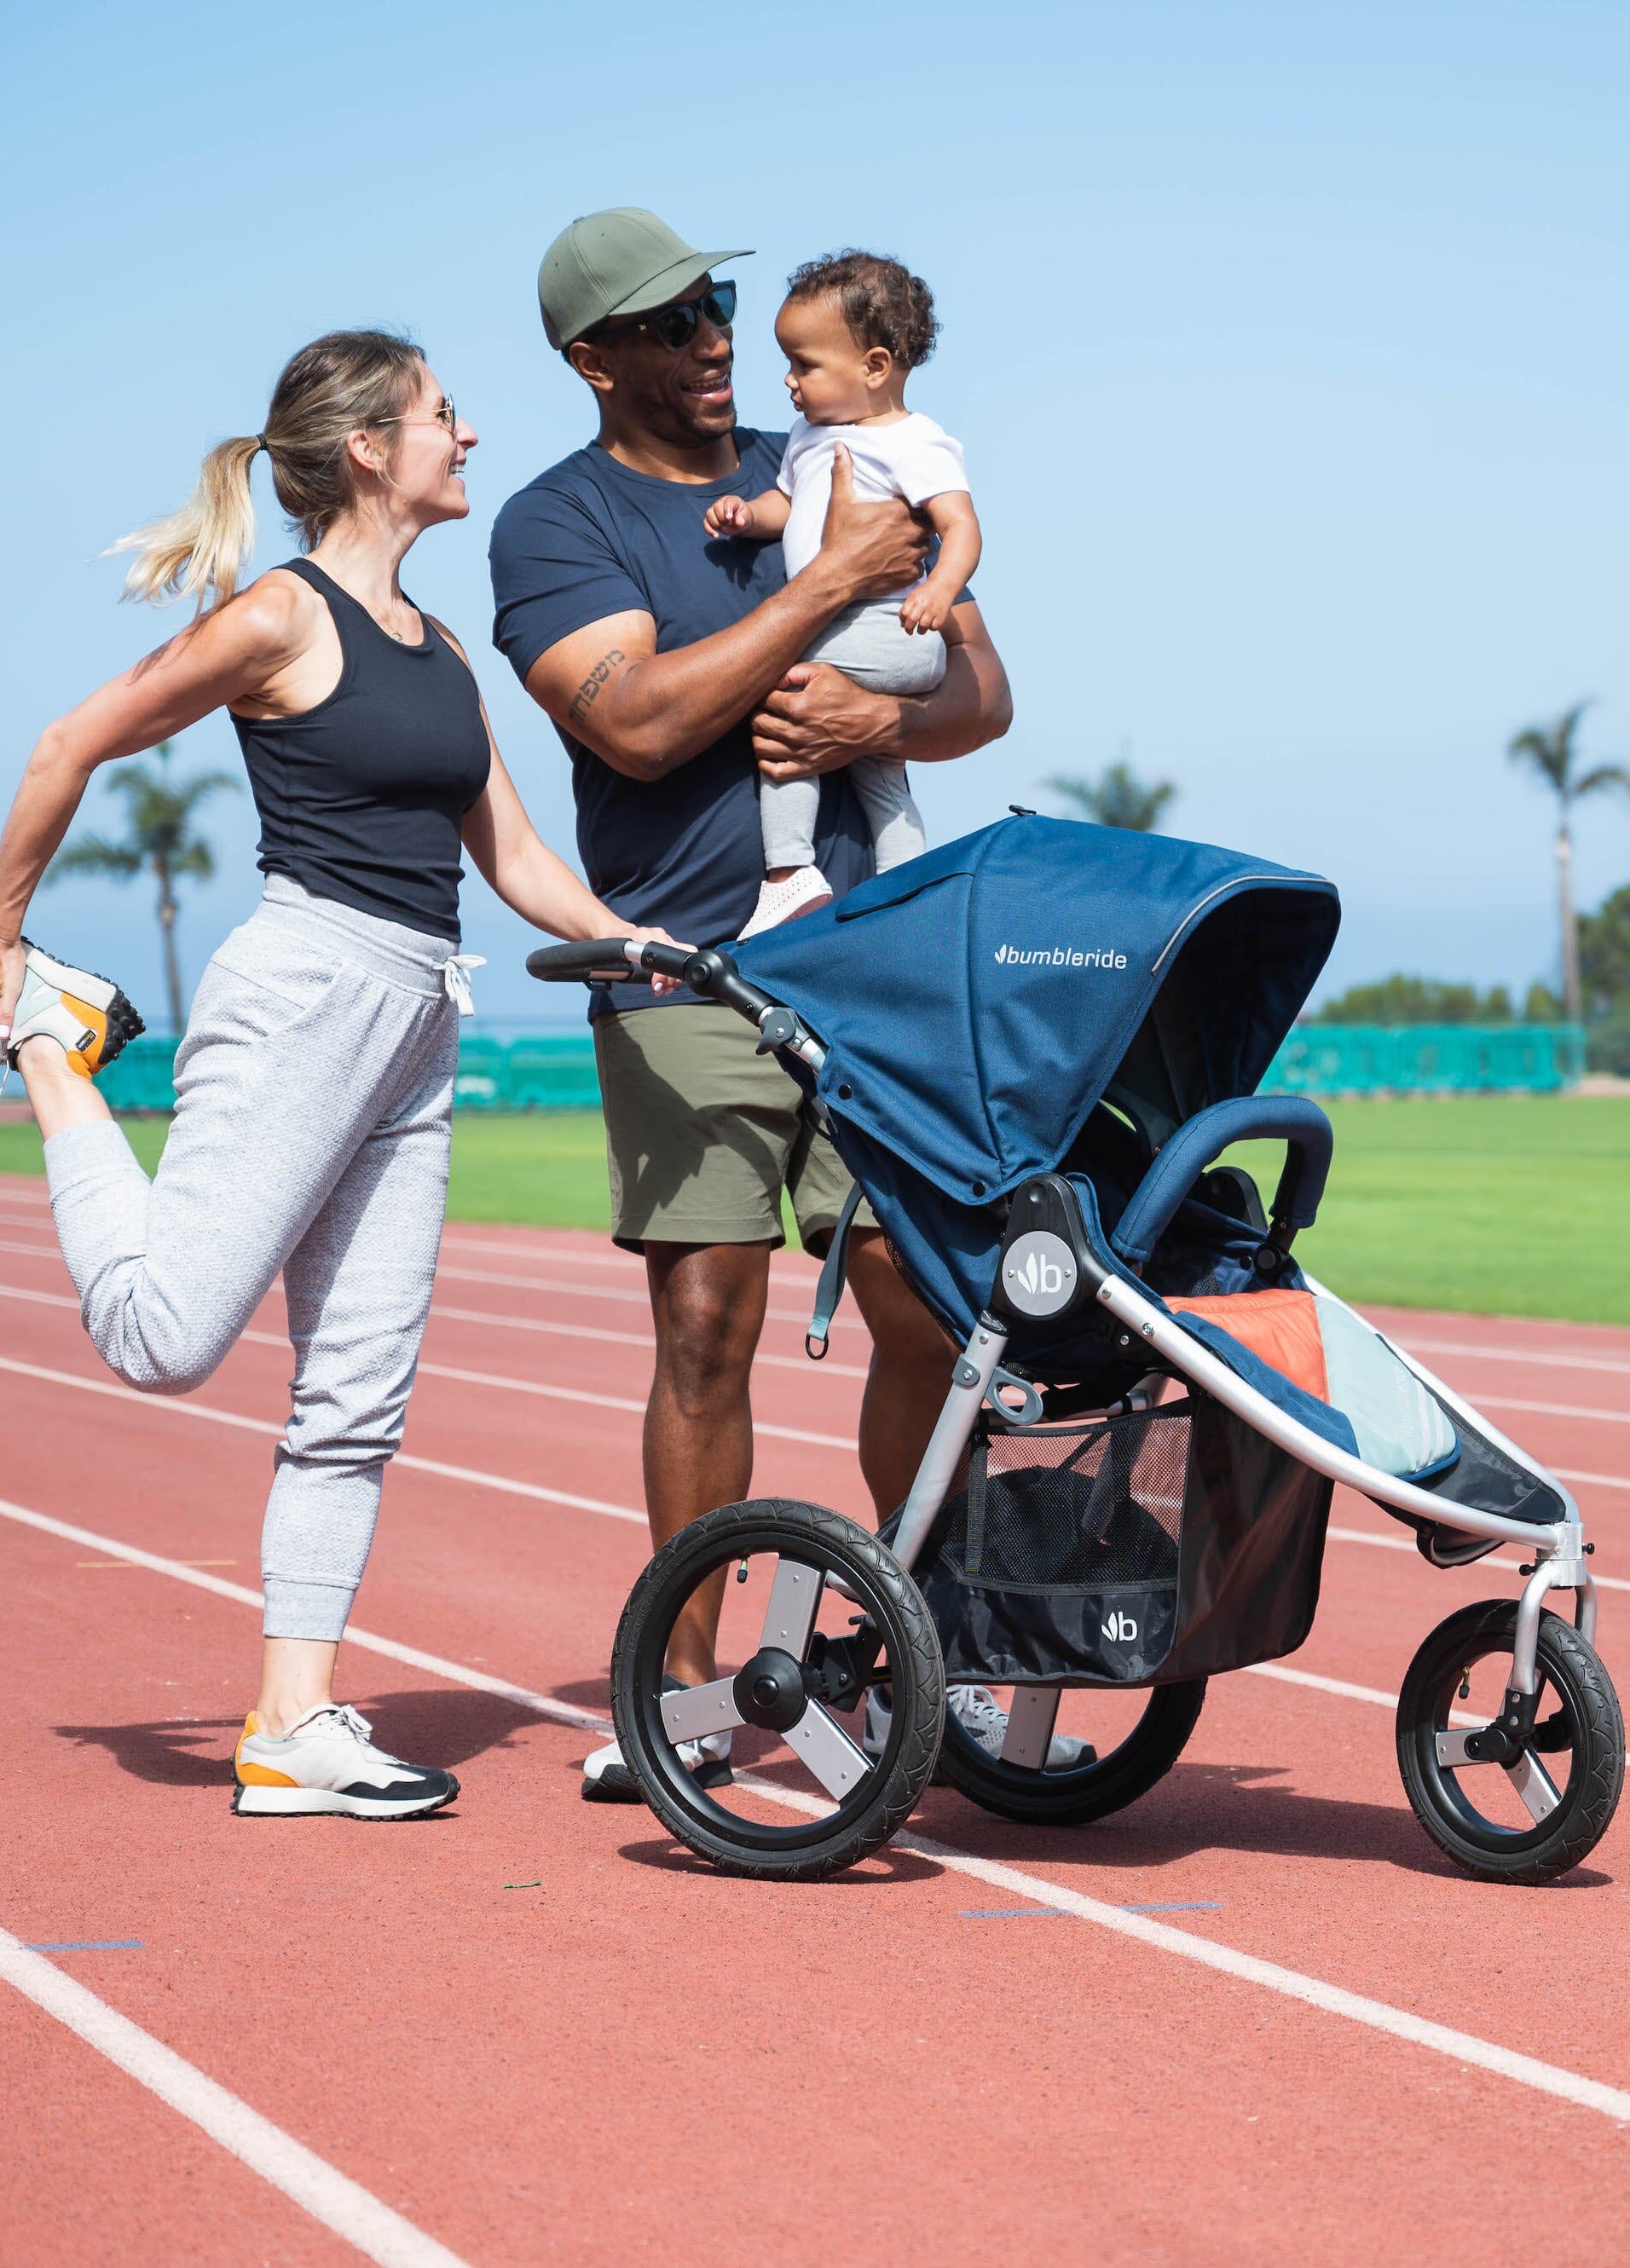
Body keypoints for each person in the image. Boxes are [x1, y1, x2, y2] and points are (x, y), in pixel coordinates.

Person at [0, 329, 677, 1821]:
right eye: (441, 415)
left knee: (357, 1396)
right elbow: (69, 740)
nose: (465, 435)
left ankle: (292, 1728)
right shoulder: (279, 618)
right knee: (163, 1339)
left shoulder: (440, 646)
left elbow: (519, 857)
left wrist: (630, 937)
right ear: (368, 448)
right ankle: (51, 1048)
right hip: (303, 992)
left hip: (419, 1011)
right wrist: (1, 941)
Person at [486, 209, 1044, 1800]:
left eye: (720, 305)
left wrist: (886, 704)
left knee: (930, 1308)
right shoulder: (555, 525)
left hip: (876, 961)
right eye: (672, 324)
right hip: (686, 967)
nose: (716, 339)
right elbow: (642, 725)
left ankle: (936, 1662)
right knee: (707, 1326)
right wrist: (829, 593)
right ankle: (683, 1695)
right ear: (595, 361)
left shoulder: (847, 445)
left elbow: (986, 693)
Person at [702, 250, 977, 934]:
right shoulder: (809, 436)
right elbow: (784, 505)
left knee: (787, 691)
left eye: (805, 364)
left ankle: (789, 870)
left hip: (894, 627)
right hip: (868, 634)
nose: (789, 381)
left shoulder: (916, 442)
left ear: (876, 367)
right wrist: (747, 517)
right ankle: (908, 888)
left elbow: (962, 527)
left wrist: (941, 588)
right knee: (880, 773)